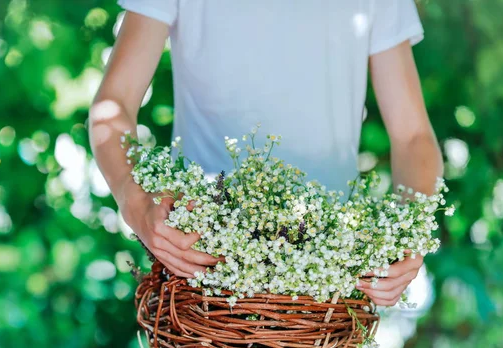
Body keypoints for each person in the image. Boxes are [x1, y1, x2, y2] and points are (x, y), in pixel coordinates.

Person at [89, 0, 444, 306]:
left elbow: (413, 137)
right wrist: (137, 206)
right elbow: (114, 104)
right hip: (203, 269)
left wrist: (408, 237)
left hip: (328, 285)